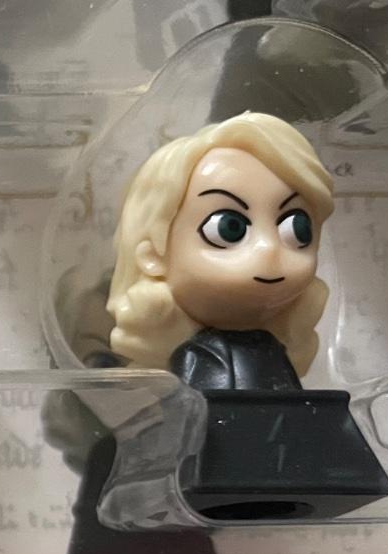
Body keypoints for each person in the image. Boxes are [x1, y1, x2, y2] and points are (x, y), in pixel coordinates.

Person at [107, 111, 333, 388]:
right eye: (230, 228)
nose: (269, 248)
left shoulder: (274, 351)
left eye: (297, 229)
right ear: (154, 254)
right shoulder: (196, 356)